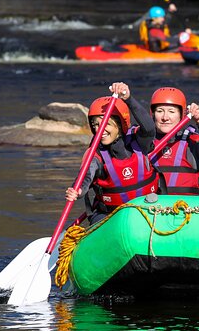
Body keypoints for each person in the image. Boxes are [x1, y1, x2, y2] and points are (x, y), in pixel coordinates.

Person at [65, 82, 158, 224]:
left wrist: (128, 98)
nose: (100, 130)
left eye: (106, 124)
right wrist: (77, 191)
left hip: (147, 209)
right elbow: (86, 177)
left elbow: (150, 128)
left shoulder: (139, 142)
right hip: (109, 214)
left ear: (121, 126)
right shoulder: (96, 155)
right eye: (96, 125)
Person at [140, 86, 199, 195]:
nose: (165, 117)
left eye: (171, 111)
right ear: (152, 114)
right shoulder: (142, 140)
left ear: (181, 115)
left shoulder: (191, 140)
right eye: (160, 111)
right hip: (152, 207)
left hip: (189, 206)